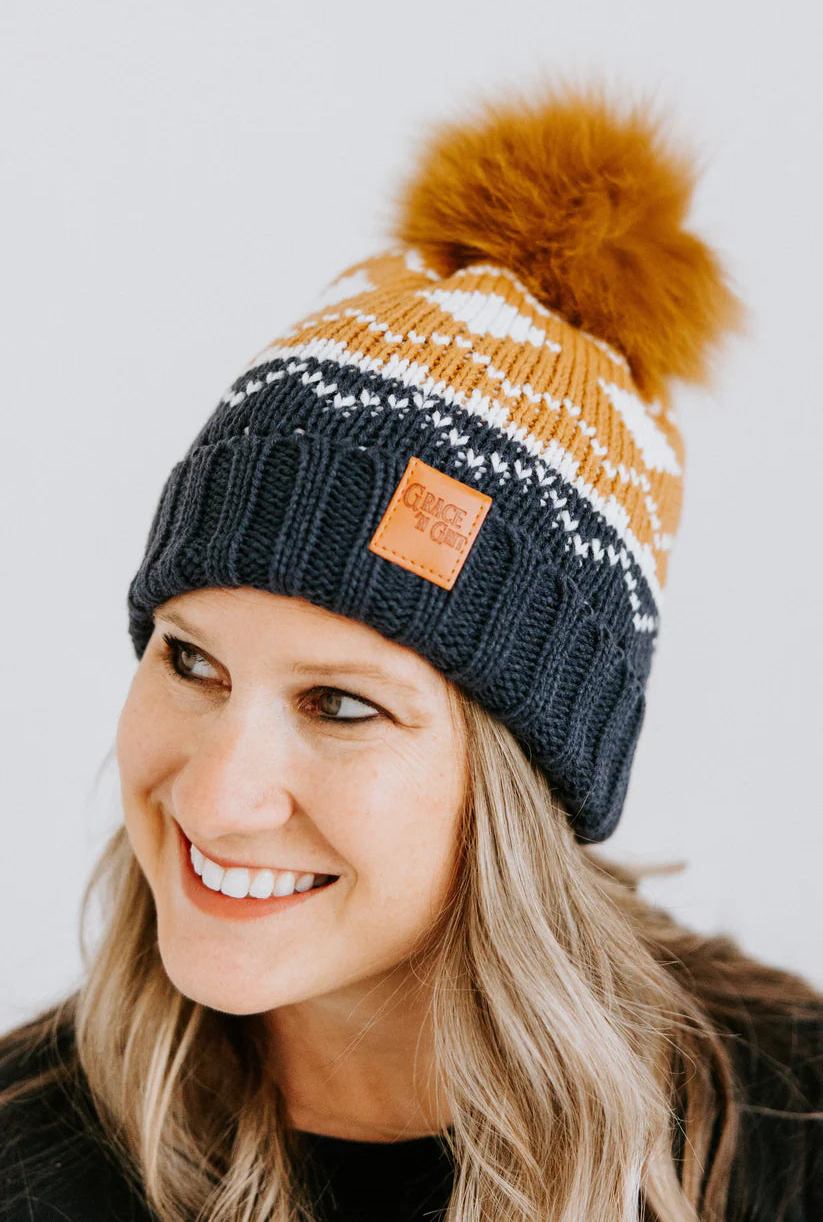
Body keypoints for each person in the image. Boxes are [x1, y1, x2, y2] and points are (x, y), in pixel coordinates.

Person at [1, 82, 821, 1222]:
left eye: (339, 704)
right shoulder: (26, 1156)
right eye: (190, 661)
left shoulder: (786, 1133)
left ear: (523, 779)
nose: (218, 797)